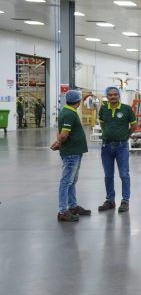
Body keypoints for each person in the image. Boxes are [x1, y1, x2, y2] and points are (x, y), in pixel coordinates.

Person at [50, 90, 91, 222]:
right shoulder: (69, 114)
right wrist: (59, 143)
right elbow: (63, 134)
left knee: (72, 181)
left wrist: (59, 142)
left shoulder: (67, 111)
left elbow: (60, 131)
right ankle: (63, 211)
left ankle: (72, 207)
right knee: (66, 181)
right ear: (78, 101)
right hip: (71, 153)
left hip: (74, 151)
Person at [97, 87, 137, 213]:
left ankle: (125, 200)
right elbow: (102, 124)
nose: (113, 97)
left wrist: (125, 135)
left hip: (122, 147)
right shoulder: (103, 109)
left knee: (124, 174)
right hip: (106, 147)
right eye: (110, 95)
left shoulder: (127, 109)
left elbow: (134, 126)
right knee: (108, 175)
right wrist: (109, 133)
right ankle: (110, 200)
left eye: (115, 94)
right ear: (107, 97)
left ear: (119, 96)